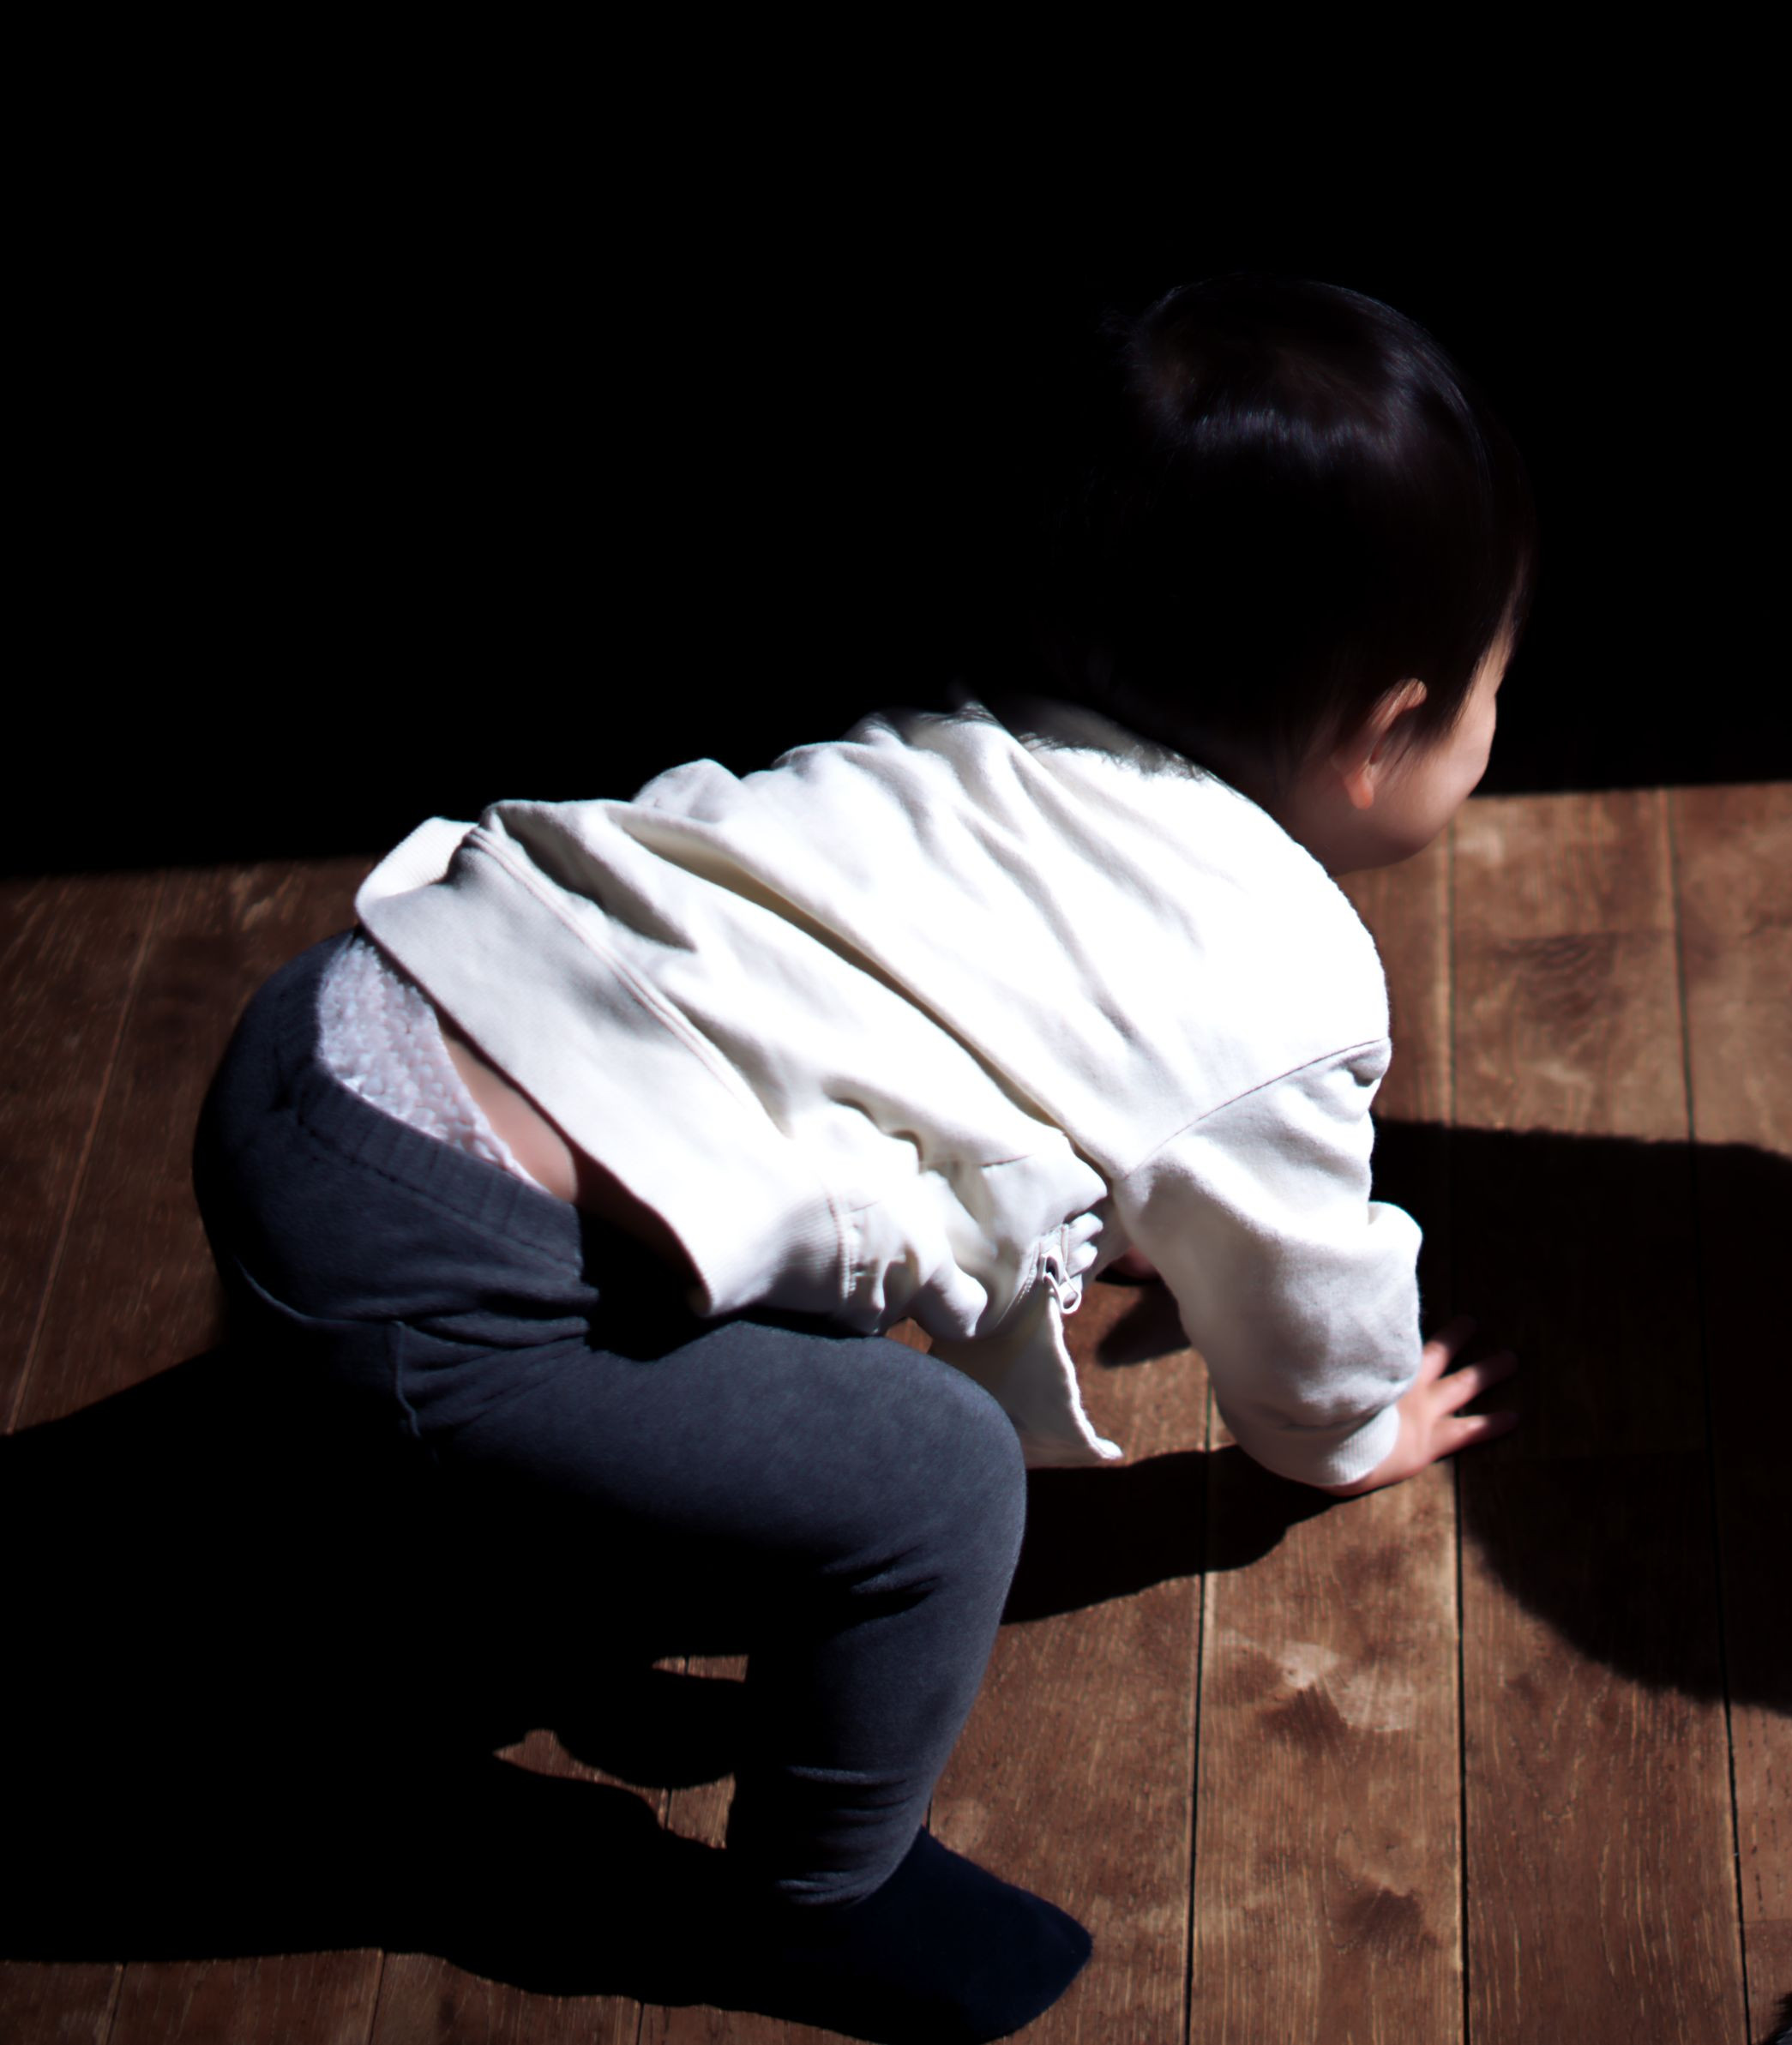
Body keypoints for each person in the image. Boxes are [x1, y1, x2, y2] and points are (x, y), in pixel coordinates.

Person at [189, 274, 1527, 2042]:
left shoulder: (962, 747)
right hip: (436, 1274)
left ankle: (451, 1527)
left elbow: (947, 1052)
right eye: (1492, 692)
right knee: (936, 1475)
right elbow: (1302, 1290)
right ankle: (820, 1892)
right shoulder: (1284, 980)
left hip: (338, 1024)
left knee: (771, 1286)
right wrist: (1350, 1429)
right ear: (1384, 734)